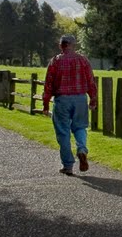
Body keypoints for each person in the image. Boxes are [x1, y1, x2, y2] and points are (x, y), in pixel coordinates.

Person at [41, 34, 97, 176]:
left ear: (61, 46)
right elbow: (91, 80)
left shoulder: (55, 61)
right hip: (80, 99)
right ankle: (82, 150)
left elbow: (48, 84)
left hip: (62, 100)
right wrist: (93, 99)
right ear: (74, 45)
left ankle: (68, 165)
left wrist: (46, 104)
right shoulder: (83, 60)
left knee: (63, 132)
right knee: (80, 127)